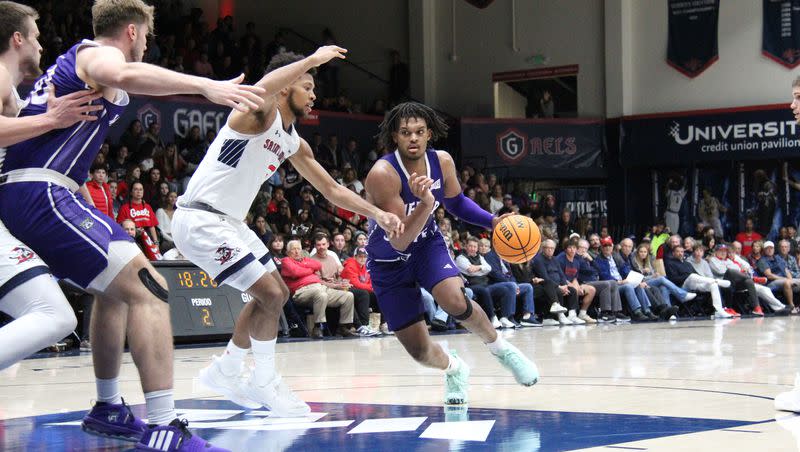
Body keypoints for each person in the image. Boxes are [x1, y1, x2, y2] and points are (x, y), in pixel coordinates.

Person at [0, 0, 271, 449]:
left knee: (112, 290)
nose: (145, 44)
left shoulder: (55, 75)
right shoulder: (94, 54)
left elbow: (53, 140)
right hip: (39, 192)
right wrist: (206, 87)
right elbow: (124, 75)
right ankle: (164, 425)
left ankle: (108, 407)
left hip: (41, 191)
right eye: (145, 36)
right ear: (132, 32)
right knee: (148, 287)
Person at [171, 49, 402, 418]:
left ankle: (227, 370)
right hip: (200, 219)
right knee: (272, 293)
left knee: (272, 295)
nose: (314, 95)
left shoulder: (294, 141)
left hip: (230, 223)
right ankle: (261, 380)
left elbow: (333, 191)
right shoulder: (257, 112)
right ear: (284, 88)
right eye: (307, 86)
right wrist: (312, 59)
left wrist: (378, 214)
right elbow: (264, 86)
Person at [364, 101, 538, 406]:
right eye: (406, 133)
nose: (413, 138)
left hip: (427, 246)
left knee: (455, 300)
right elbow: (400, 240)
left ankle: (503, 349)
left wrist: (493, 221)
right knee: (420, 352)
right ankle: (454, 368)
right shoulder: (383, 174)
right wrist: (427, 203)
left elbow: (456, 203)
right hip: (388, 260)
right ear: (395, 136)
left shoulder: (441, 162)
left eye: (419, 131)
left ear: (430, 133)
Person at [0, 1, 109, 371]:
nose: (41, 46)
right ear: (17, 39)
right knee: (53, 315)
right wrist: (48, 119)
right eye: (35, 36)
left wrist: (43, 117)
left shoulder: (13, 95)